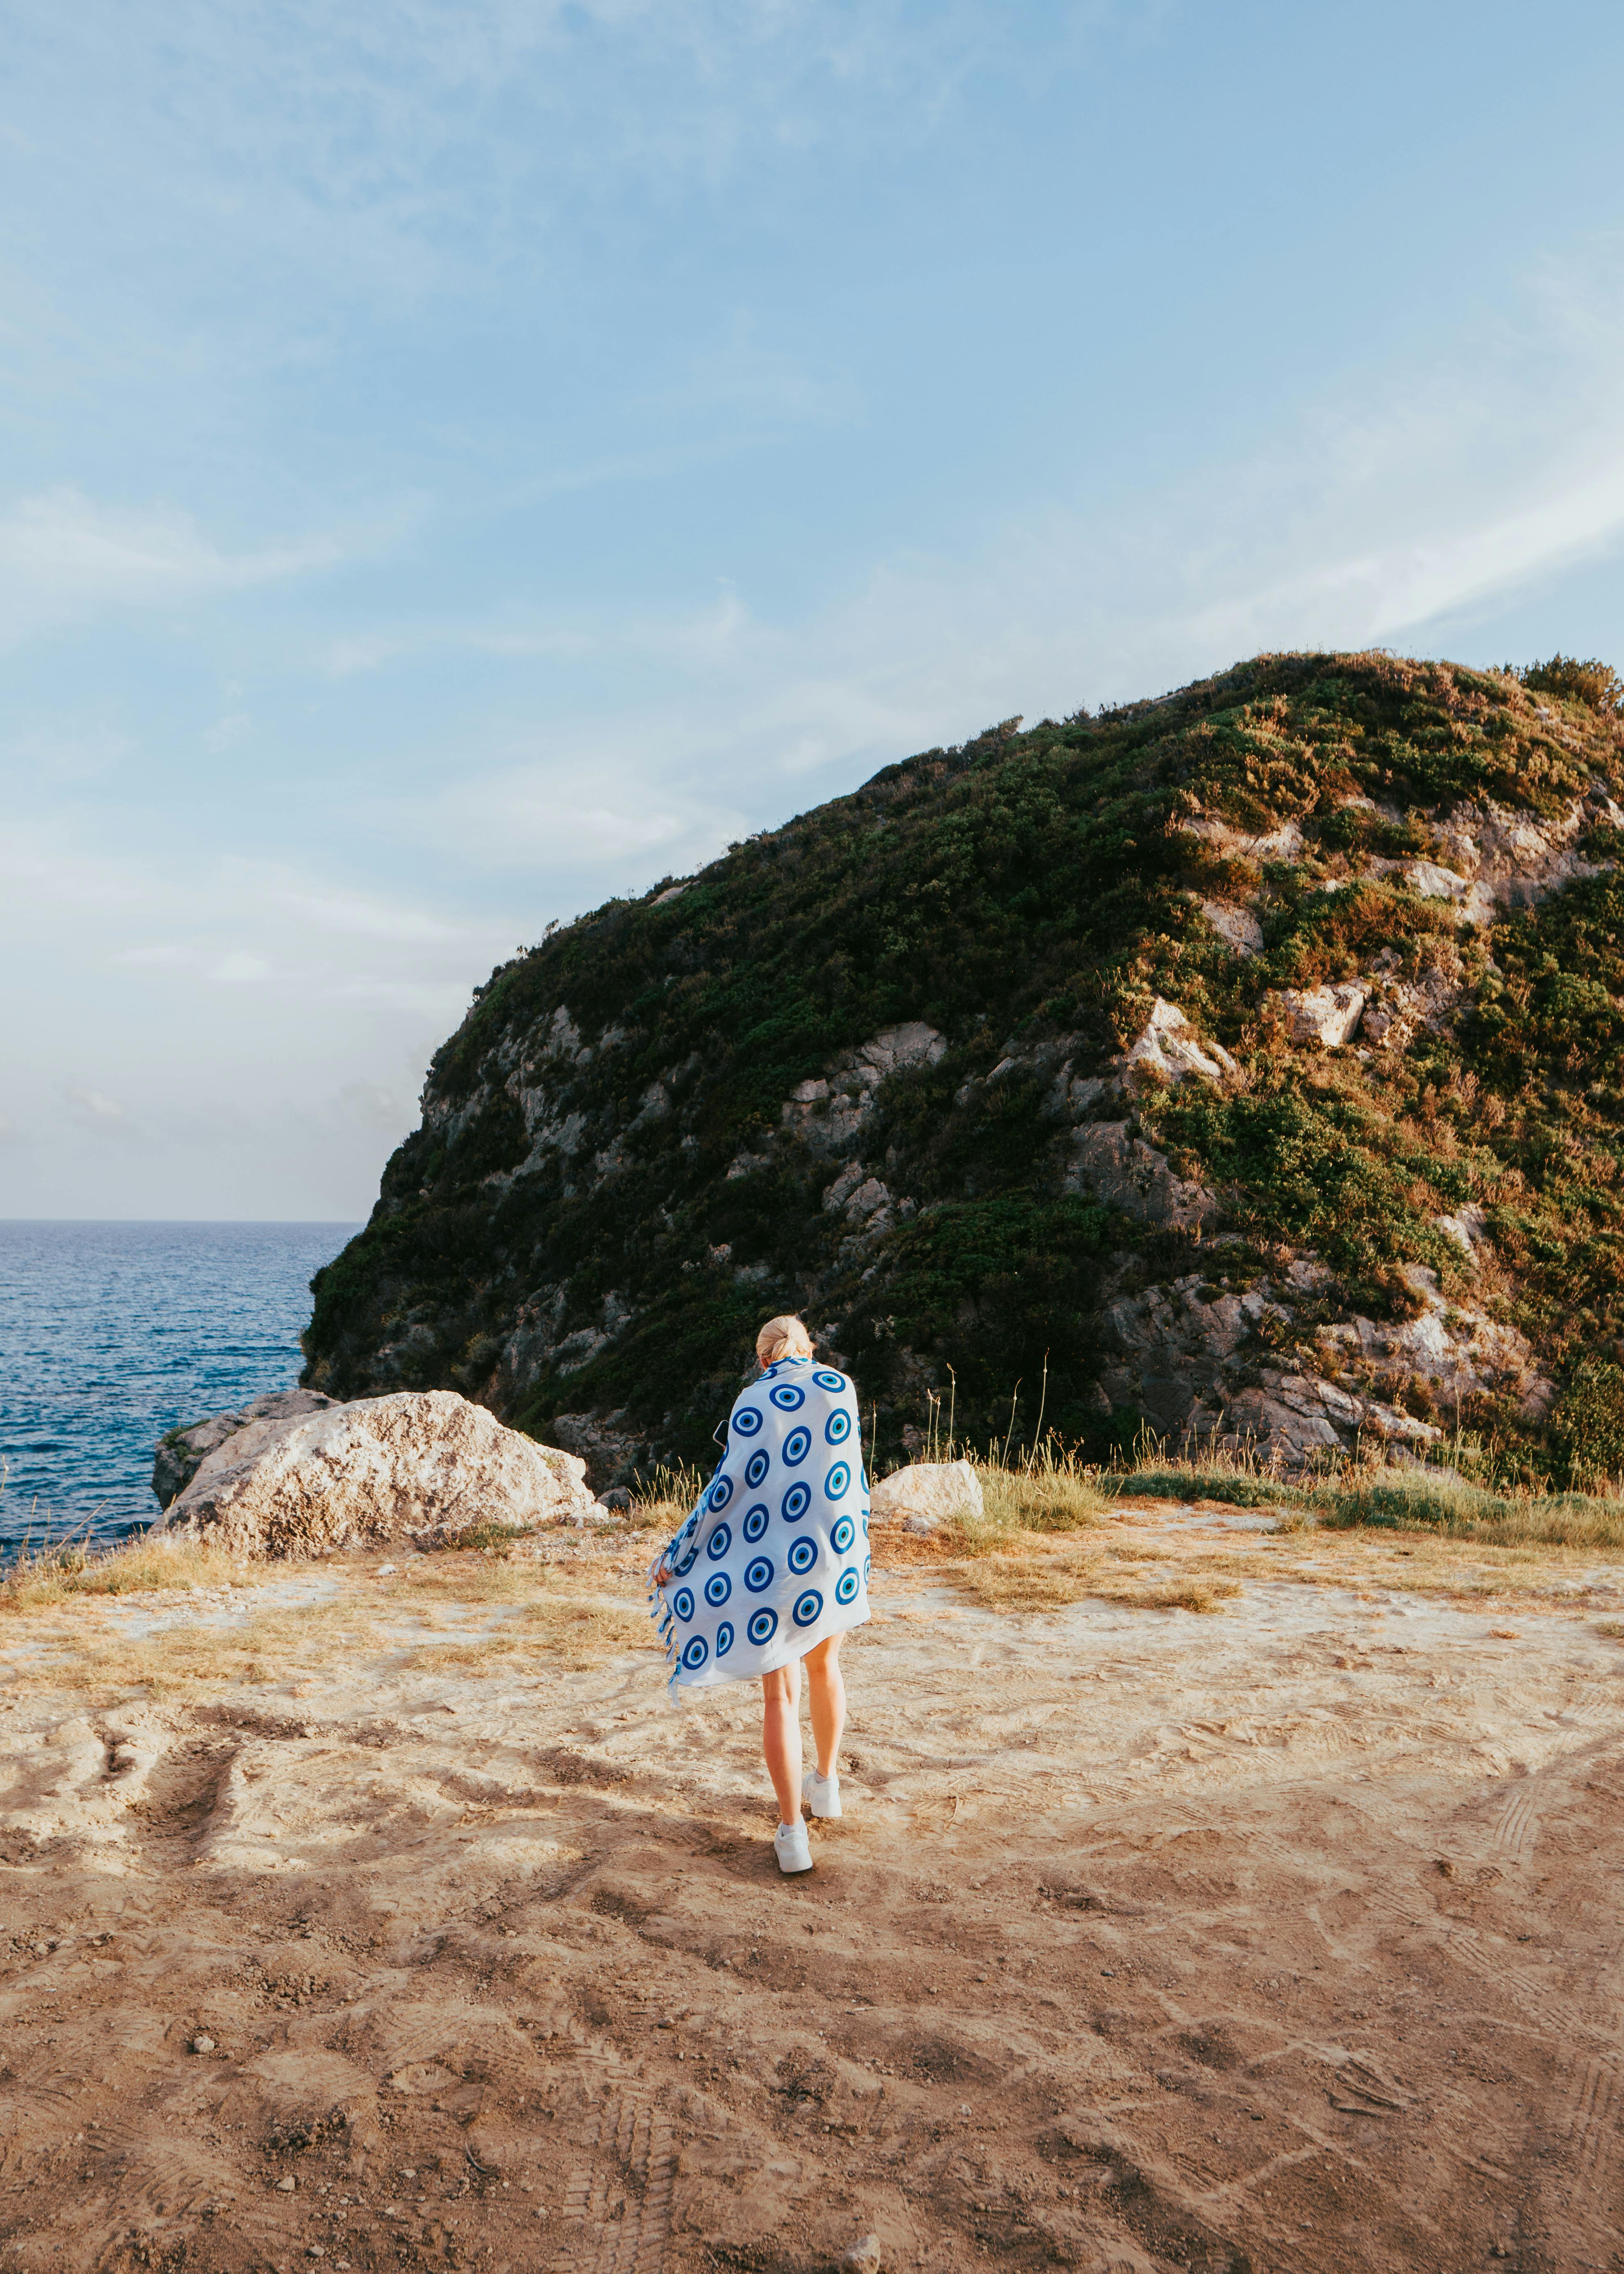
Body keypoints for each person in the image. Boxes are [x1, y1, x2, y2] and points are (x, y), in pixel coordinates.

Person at [648, 1314, 871, 1873]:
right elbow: (850, 1475)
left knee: (780, 1698)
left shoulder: (756, 1398)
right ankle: (827, 1787)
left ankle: (792, 1835)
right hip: (830, 1555)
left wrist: (677, 1554)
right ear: (806, 1348)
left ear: (763, 1357)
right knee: (828, 1668)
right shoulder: (839, 1388)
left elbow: (727, 1486)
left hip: (774, 1567)